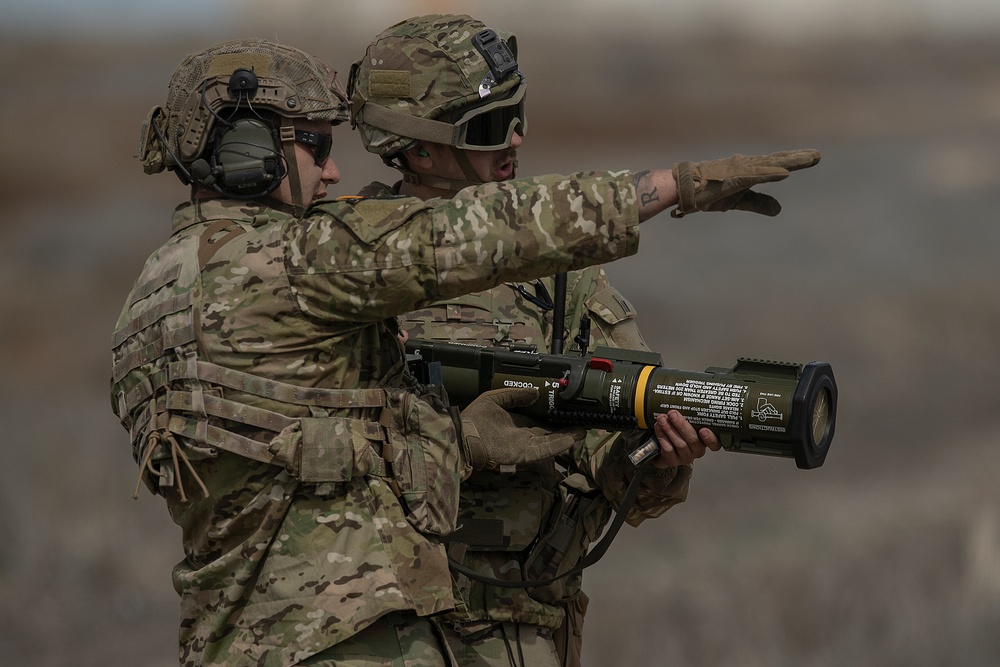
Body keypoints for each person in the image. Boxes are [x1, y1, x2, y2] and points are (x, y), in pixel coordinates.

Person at [112, 35, 818, 667]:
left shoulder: (152, 298)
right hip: (359, 631)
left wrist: (647, 458)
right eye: (313, 148)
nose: (329, 173)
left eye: (519, 118)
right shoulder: (326, 267)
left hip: (473, 625)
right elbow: (473, 236)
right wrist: (672, 187)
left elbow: (303, 435)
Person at [347, 14, 727, 666]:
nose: (517, 138)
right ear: (419, 148)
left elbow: (615, 447)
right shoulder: (344, 268)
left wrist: (658, 457)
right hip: (377, 630)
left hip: (516, 633)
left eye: (519, 113)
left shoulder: (561, 276)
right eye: (492, 126)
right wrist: (457, 442)